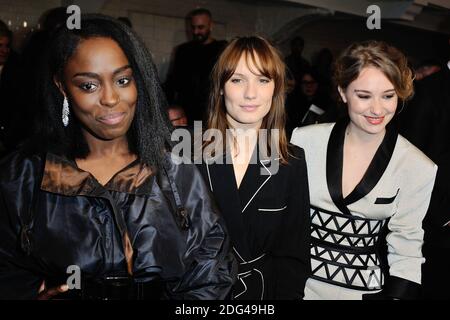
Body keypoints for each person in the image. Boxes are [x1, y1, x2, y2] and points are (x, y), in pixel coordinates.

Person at [0, 14, 236, 300]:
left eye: (123, 80)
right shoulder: (25, 174)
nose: (111, 99)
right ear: (62, 87)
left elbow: (210, 273)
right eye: (89, 85)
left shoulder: (176, 172)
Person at [291, 40, 437, 300]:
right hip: (293, 285)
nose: (377, 109)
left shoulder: (418, 167)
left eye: (388, 96)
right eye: (364, 96)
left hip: (361, 293)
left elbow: (407, 250)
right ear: (343, 92)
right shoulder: (303, 141)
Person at [196, 36, 311, 300]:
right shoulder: (190, 154)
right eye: (237, 80)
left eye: (263, 80)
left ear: (276, 88)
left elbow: (294, 256)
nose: (251, 93)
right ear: (221, 87)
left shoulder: (290, 161)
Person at [164, 8, 227, 124]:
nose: (196, 32)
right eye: (193, 27)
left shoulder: (222, 49)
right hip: (187, 113)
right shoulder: (183, 51)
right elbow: (173, 82)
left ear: (211, 25)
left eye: (201, 27)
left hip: (212, 112)